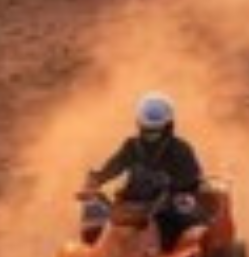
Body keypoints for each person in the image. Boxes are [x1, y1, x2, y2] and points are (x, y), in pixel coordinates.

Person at [85, 92, 205, 245]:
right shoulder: (131, 146)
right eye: (146, 129)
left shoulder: (181, 149)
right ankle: (103, 251)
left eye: (155, 130)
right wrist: (97, 179)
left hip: (167, 203)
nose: (150, 135)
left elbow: (192, 178)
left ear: (168, 127)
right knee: (95, 214)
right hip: (134, 202)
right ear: (139, 125)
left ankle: (186, 250)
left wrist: (170, 185)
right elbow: (115, 165)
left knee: (186, 209)